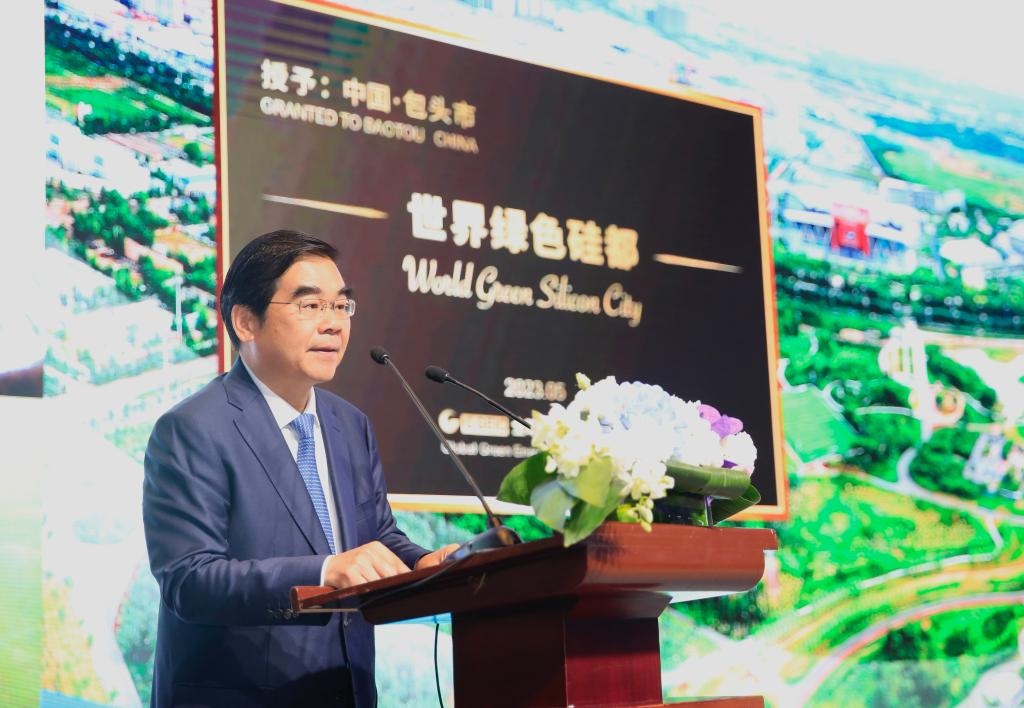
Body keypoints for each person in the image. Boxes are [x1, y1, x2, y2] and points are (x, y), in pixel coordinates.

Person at [143, 229, 457, 707]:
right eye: (310, 305)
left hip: (347, 691)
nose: (333, 324)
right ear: (246, 321)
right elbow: (190, 579)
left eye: (341, 306)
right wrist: (325, 570)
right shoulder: (192, 428)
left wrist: (422, 563)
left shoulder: (350, 425)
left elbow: (377, 537)